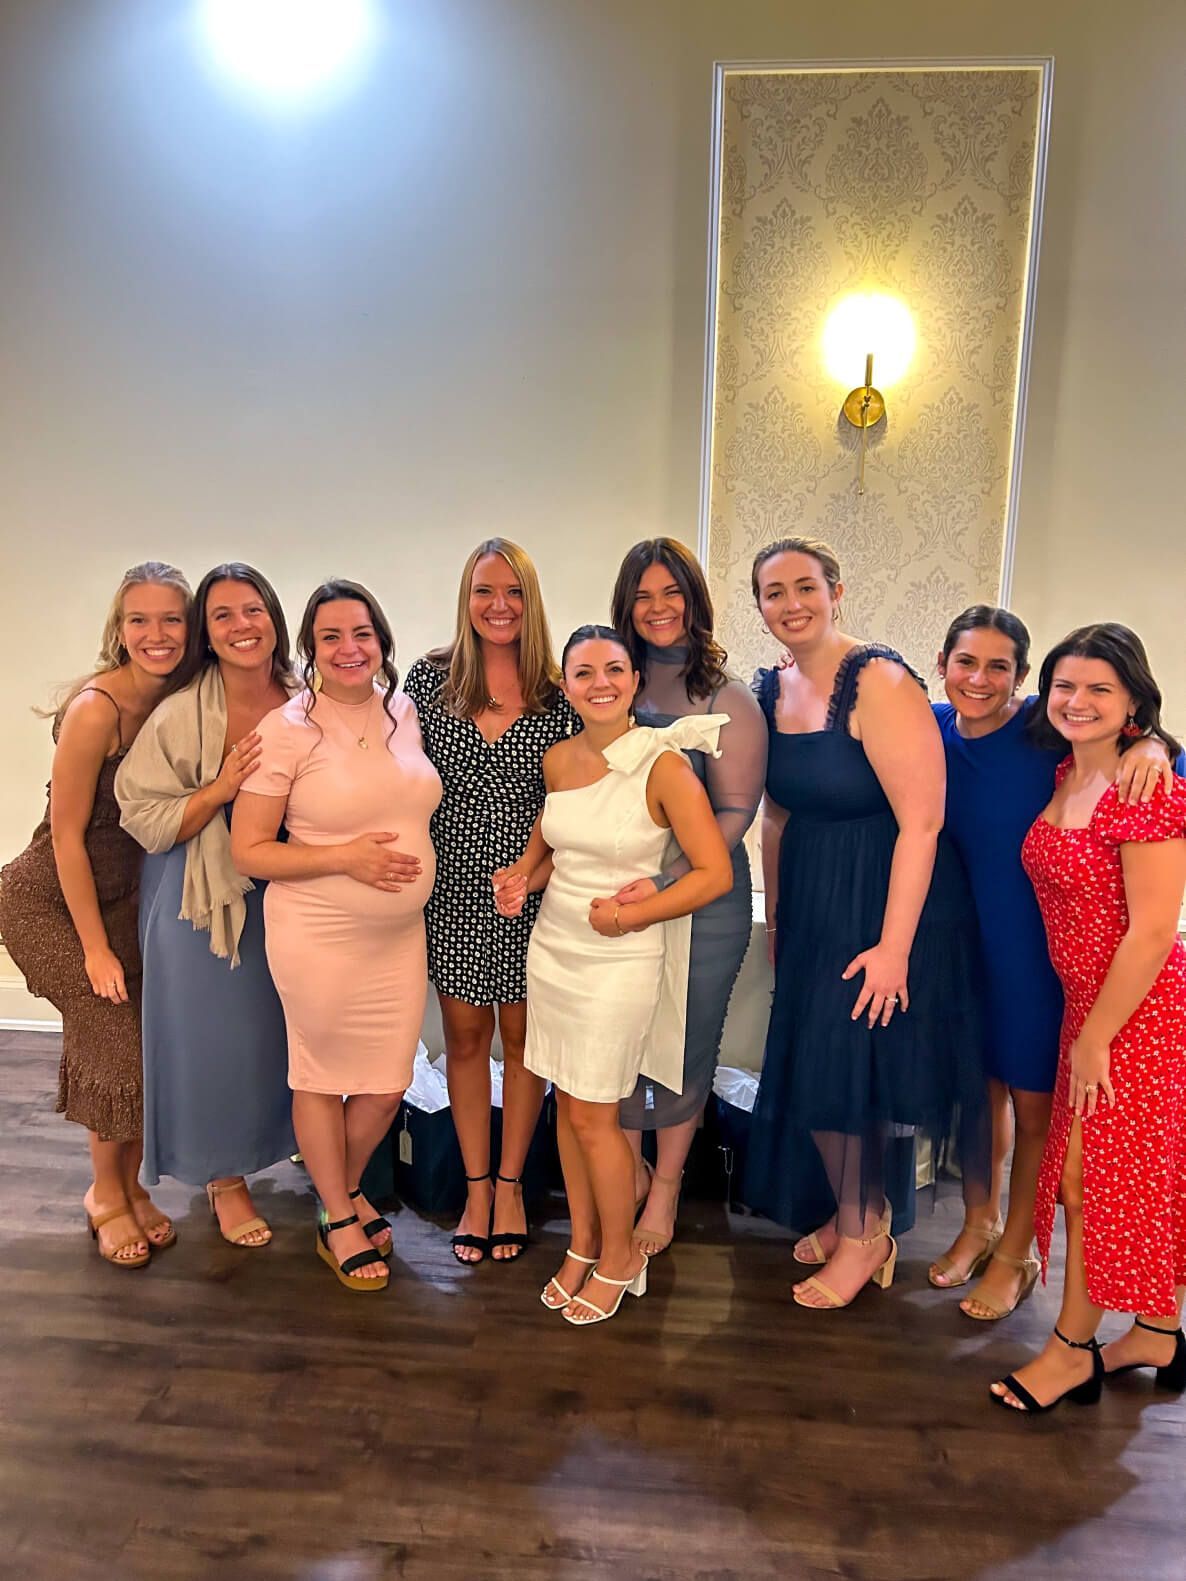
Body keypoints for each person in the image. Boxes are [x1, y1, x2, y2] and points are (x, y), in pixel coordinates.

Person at [745, 537, 989, 1309]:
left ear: (836, 591)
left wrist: (894, 948)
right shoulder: (770, 687)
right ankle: (864, 1212)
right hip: (814, 899)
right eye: (774, 592)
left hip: (886, 899)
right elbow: (778, 814)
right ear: (759, 606)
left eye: (805, 586)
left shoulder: (878, 678)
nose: (792, 603)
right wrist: (778, 912)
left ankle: (863, 1235)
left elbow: (923, 822)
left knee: (854, 1071)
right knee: (821, 1066)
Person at [928, 607, 1178, 1320]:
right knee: (982, 1095)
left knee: (1039, 1107)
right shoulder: (936, 729)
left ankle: (1019, 1250)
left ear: (1019, 678)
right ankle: (978, 1222)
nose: (980, 679)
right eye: (965, 663)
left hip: (1041, 954)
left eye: (999, 666)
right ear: (942, 663)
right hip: (965, 942)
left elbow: (1146, 741)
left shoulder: (1046, 726)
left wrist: (1155, 745)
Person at [493, 626, 731, 1324]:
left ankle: (623, 1257)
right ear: (565, 685)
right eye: (584, 671)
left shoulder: (663, 767)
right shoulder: (558, 758)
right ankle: (585, 1239)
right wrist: (520, 882)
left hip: (620, 956)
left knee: (597, 1116)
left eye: (614, 669)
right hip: (555, 952)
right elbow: (548, 852)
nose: (600, 682)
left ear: (633, 680)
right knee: (567, 1108)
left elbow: (714, 873)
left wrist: (635, 916)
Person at [991, 623, 1186, 1414]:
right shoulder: (1065, 768)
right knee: (1124, 1179)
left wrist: (1100, 1033)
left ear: (1134, 701)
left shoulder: (1152, 787)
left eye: (1100, 688)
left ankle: (1072, 1350)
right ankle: (1157, 1329)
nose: (1077, 700)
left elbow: (1151, 930)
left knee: (1089, 1181)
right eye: (1065, 684)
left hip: (1137, 1011)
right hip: (1086, 1007)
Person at [231, 581, 441, 1293]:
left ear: (382, 639)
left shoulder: (404, 711)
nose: (349, 648)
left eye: (361, 633)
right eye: (330, 636)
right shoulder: (286, 729)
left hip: (397, 938)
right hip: (317, 932)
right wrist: (345, 856)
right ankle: (339, 1212)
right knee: (320, 1076)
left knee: (386, 1085)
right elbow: (250, 850)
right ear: (310, 648)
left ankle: (336, 1194)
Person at [0, 562, 192, 1267]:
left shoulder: (182, 699)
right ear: (119, 629)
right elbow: (68, 836)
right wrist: (93, 949)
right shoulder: (96, 710)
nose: (156, 633)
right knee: (116, 1045)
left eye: (171, 618)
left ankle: (133, 1189)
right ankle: (103, 1195)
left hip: (126, 902)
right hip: (49, 902)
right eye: (139, 619)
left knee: (136, 1047)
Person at [115, 564, 297, 1249]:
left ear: (274, 617)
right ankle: (225, 1180)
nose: (241, 625)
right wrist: (220, 787)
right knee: (213, 1045)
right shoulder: (180, 712)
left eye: (252, 609)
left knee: (269, 1039)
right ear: (207, 634)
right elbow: (143, 814)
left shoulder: (306, 698)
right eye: (222, 615)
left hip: (284, 892)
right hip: (199, 901)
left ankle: (287, 1148)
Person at [403, 540, 574, 1265]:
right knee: (465, 1043)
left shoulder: (561, 692)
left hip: (535, 891)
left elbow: (572, 796)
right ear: (465, 598)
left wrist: (531, 869)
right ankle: (476, 1187)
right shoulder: (429, 679)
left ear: (530, 600)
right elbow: (388, 770)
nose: (498, 605)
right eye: (483, 591)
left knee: (526, 1044)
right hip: (452, 892)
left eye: (512, 591)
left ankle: (511, 1184)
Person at [609, 538, 766, 1254]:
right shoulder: (612, 680)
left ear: (694, 600)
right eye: (642, 595)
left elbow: (734, 815)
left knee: (682, 1047)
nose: (657, 608)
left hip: (701, 900)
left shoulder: (726, 696)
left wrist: (669, 881)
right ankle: (629, 1172)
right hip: (615, 898)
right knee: (622, 1040)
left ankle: (666, 1184)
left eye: (671, 592)